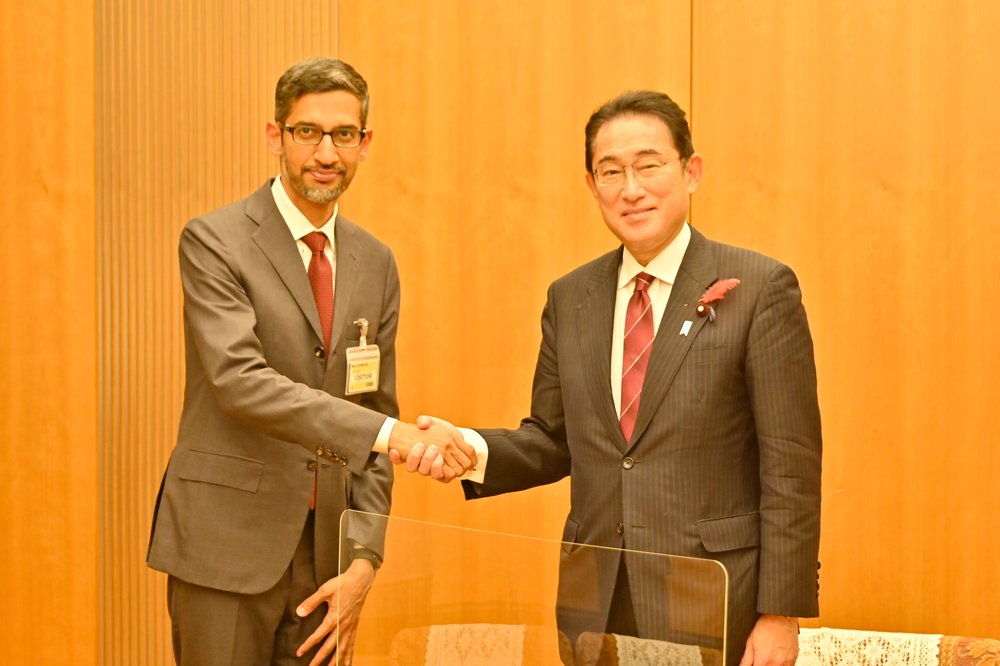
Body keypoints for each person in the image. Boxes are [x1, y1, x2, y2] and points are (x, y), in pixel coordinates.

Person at [393, 90, 822, 666]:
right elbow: (553, 439)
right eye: (611, 171)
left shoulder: (759, 288)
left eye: (649, 165)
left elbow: (790, 467)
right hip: (593, 602)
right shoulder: (571, 297)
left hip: (715, 596)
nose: (631, 188)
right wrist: (468, 448)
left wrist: (780, 611)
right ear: (592, 185)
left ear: (690, 171)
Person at [147, 57, 475, 665]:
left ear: (364, 144)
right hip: (225, 550)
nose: (326, 152)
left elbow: (375, 405)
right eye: (307, 132)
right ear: (276, 137)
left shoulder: (375, 262)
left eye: (343, 134)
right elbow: (241, 382)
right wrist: (389, 435)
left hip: (326, 558)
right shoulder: (214, 240)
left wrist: (364, 558)